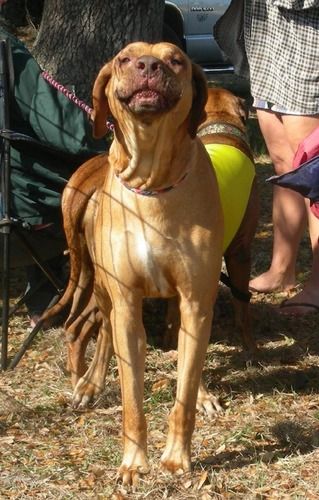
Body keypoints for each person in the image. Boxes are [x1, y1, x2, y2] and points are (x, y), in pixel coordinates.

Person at [0, 22, 106, 327]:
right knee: (77, 187)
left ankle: (45, 298)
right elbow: (69, 134)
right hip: (17, 230)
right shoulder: (8, 52)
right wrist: (106, 134)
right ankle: (62, 299)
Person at [216, 0, 319, 315]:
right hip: (265, 19)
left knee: (313, 169)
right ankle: (281, 270)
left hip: (307, 19)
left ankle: (318, 283)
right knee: (283, 162)